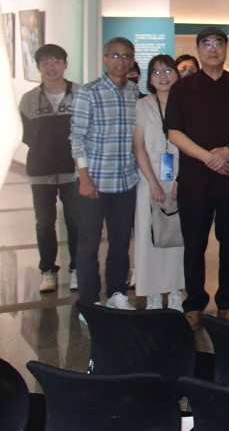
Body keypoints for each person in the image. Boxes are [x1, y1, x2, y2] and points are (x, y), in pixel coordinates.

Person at [166, 26, 229, 328]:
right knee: (194, 243)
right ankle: (193, 304)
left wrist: (228, 151)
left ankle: (228, 304)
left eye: (218, 43)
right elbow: (174, 132)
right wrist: (209, 157)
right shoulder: (182, 87)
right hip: (194, 178)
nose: (213, 49)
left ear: (226, 49)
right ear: (198, 49)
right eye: (206, 44)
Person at [70, 37, 140, 309]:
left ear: (132, 60)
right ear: (104, 59)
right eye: (114, 55)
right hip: (94, 182)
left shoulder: (134, 92)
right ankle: (88, 302)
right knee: (87, 246)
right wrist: (84, 178)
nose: (120, 61)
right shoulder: (89, 92)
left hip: (125, 182)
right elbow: (76, 138)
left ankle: (117, 293)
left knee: (120, 243)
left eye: (125, 56)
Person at [20, 43, 79, 294]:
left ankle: (77, 269)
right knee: (44, 223)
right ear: (38, 68)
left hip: (74, 170)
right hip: (40, 170)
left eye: (56, 61)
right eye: (45, 63)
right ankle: (48, 271)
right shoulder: (29, 99)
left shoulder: (80, 94)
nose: (51, 67)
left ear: (65, 64)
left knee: (76, 221)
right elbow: (26, 135)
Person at [131, 55, 185, 311]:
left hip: (180, 177)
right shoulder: (142, 106)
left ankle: (175, 291)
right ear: (149, 79)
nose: (162, 76)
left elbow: (191, 146)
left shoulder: (187, 105)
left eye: (167, 70)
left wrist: (180, 180)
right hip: (149, 177)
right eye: (156, 72)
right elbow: (138, 146)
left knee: (177, 237)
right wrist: (152, 182)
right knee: (148, 236)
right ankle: (152, 292)